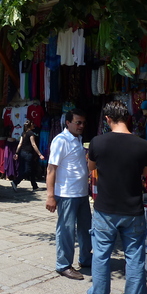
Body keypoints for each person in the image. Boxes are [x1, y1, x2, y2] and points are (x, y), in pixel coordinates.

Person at [85, 100, 147, 294]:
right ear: (127, 117)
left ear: (107, 119)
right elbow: (146, 173)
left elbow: (91, 167)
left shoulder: (97, 142)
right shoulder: (144, 145)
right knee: (134, 257)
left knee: (102, 255)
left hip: (105, 208)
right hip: (133, 209)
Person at [46, 109, 92, 280]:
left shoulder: (78, 139)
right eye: (77, 122)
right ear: (68, 123)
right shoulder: (61, 140)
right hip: (66, 193)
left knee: (86, 229)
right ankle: (63, 265)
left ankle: (86, 258)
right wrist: (50, 195)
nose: (81, 126)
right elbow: (51, 169)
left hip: (81, 193)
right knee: (66, 230)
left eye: (83, 123)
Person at [11, 120, 44, 191]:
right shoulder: (31, 133)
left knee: (32, 169)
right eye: (32, 124)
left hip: (22, 153)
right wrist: (39, 154)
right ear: (30, 125)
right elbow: (33, 144)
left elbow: (20, 144)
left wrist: (17, 153)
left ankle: (34, 186)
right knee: (28, 171)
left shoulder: (24, 133)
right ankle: (15, 182)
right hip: (28, 154)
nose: (34, 125)